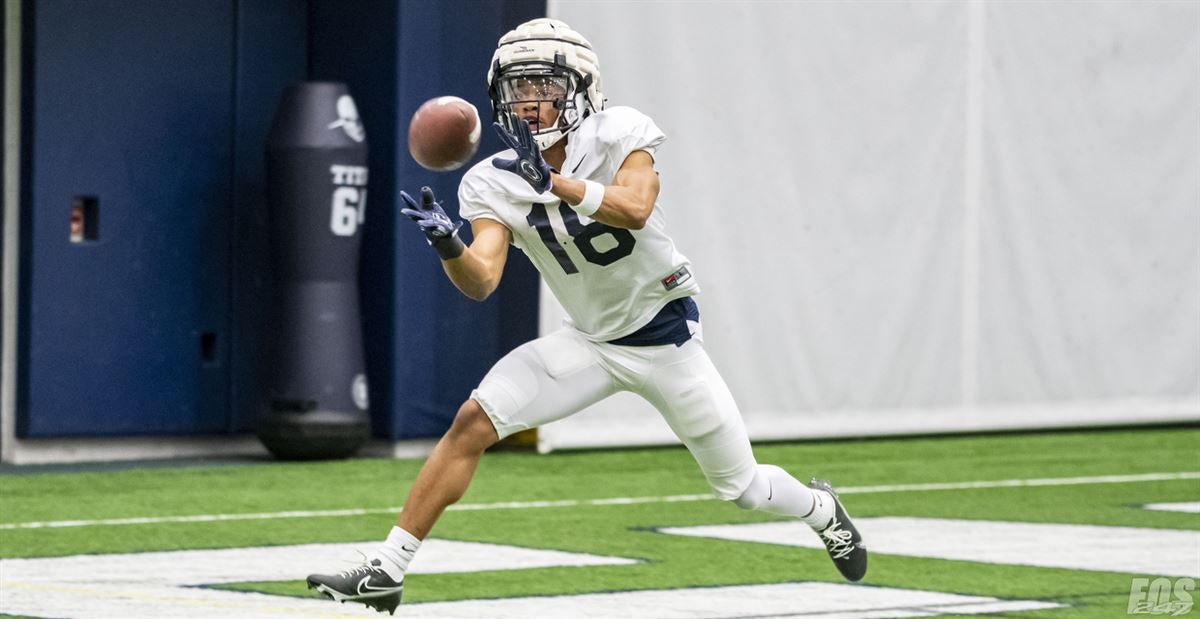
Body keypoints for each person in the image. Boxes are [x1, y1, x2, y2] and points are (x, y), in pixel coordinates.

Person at [306, 17, 866, 615]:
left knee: (744, 489)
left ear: (580, 86)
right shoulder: (489, 182)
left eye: (543, 85)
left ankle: (820, 509)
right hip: (591, 342)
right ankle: (387, 570)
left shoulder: (620, 131)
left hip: (665, 340)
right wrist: (450, 246)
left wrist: (555, 182)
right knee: (473, 421)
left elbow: (635, 208)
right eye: (517, 88)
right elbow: (482, 280)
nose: (529, 101)